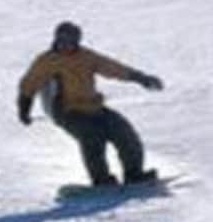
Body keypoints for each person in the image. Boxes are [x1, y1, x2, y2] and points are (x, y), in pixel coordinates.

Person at [16, 21, 164, 188]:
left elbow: (112, 68)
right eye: (61, 40)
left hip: (93, 107)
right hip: (67, 111)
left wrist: (141, 78)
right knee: (92, 136)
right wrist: (24, 109)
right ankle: (101, 179)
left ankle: (134, 174)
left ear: (77, 40)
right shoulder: (47, 61)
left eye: (70, 40)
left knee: (123, 132)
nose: (65, 44)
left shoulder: (86, 57)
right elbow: (29, 85)